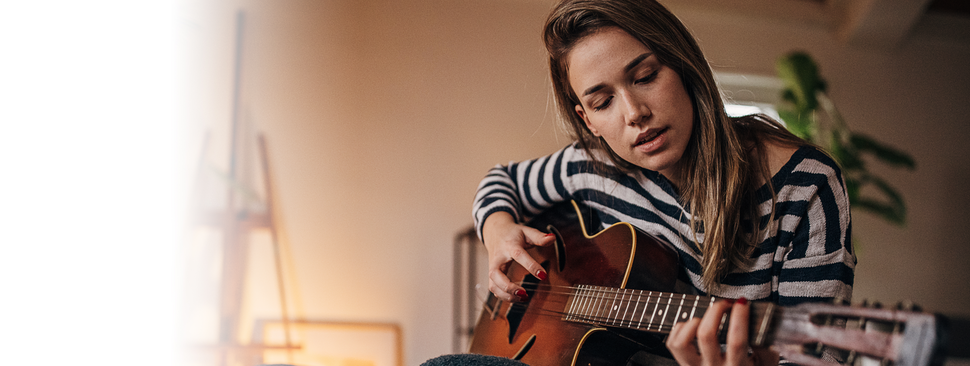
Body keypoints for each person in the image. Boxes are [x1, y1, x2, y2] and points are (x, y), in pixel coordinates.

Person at [448, 0, 856, 366]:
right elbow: (502, 180)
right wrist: (498, 232)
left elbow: (818, 356)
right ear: (588, 120)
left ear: (683, 64)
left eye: (645, 76)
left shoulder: (805, 185)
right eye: (602, 102)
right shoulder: (592, 164)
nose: (634, 113)